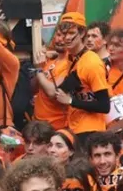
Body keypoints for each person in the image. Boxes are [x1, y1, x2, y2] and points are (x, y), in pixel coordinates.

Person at [35, 13, 110, 144]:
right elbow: (62, 89)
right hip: (73, 128)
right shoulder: (73, 58)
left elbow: (104, 105)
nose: (65, 38)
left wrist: (70, 101)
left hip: (90, 130)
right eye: (63, 33)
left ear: (81, 34)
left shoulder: (91, 62)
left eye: (70, 33)